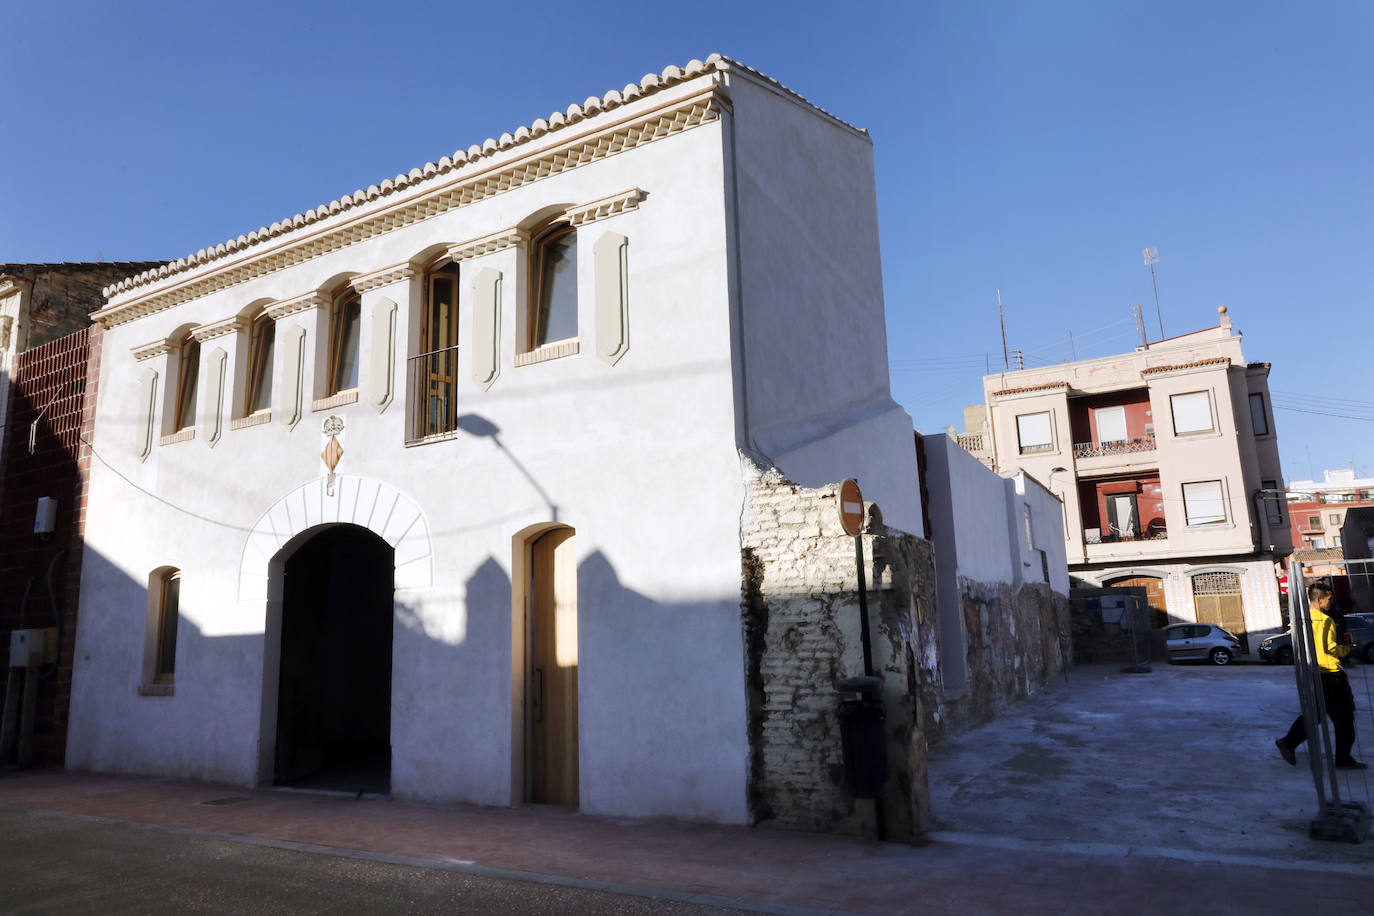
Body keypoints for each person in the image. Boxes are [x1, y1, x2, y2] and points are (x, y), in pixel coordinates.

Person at [1275, 582, 1367, 770]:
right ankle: (1342, 758)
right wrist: (1348, 648)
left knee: (1315, 713)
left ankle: (1288, 742)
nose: (1330, 602)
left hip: (1311, 672)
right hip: (1331, 674)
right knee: (1344, 717)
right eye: (1328, 599)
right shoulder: (1325, 621)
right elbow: (1330, 648)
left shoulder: (1302, 619)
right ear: (1319, 599)